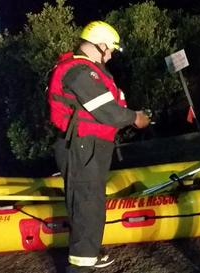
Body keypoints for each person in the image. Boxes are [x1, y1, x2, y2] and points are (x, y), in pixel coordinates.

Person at [48, 21, 151, 272]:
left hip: (89, 146)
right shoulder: (80, 72)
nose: (112, 54)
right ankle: (81, 265)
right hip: (82, 146)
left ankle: (88, 255)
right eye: (111, 49)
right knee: (86, 204)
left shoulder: (85, 70)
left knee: (90, 202)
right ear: (101, 45)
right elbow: (108, 111)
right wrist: (135, 118)